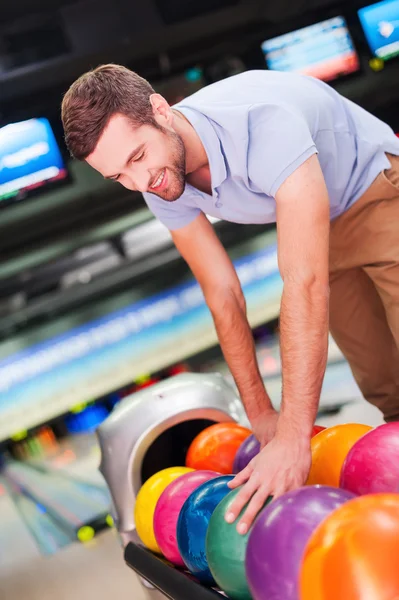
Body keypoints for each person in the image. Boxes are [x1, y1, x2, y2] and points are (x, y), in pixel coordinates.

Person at [61, 64, 399, 535]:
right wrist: (261, 415)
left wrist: (294, 437)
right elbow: (221, 293)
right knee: (389, 389)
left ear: (161, 110)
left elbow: (302, 282)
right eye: (118, 175)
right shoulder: (159, 179)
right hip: (322, 226)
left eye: (138, 157)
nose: (139, 183)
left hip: (378, 191)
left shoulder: (261, 123)